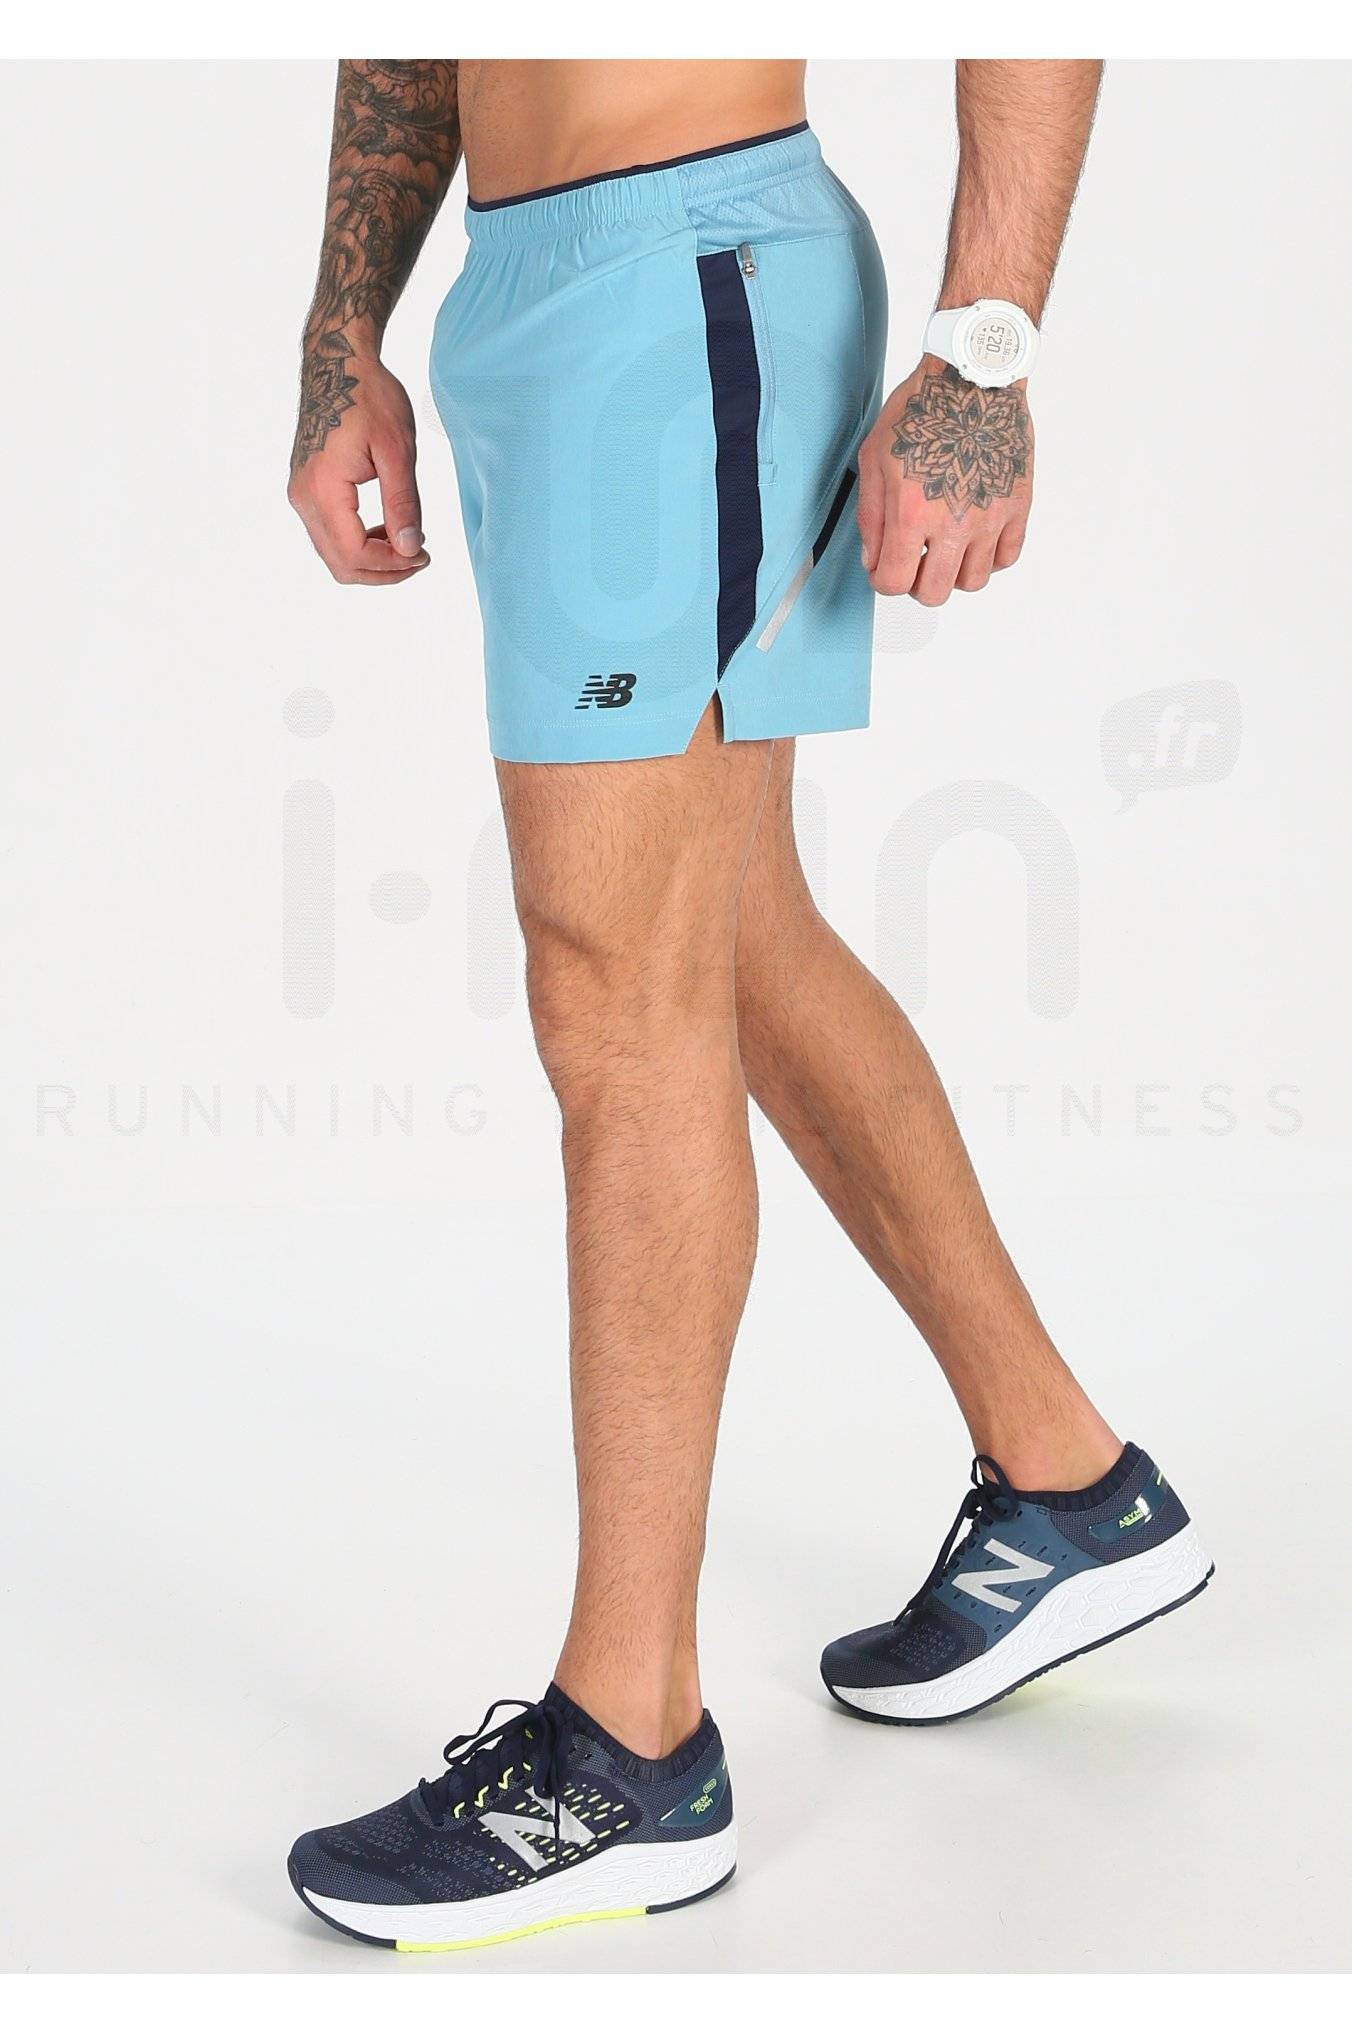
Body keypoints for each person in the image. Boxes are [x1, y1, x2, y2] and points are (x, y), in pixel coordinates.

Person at [285, 58, 1211, 1954]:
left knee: (613, 991)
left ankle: (628, 1746)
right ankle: (1072, 1485)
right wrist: (340, 332)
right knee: (732, 942)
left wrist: (987, 348)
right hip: (543, 295)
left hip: (683, 269)